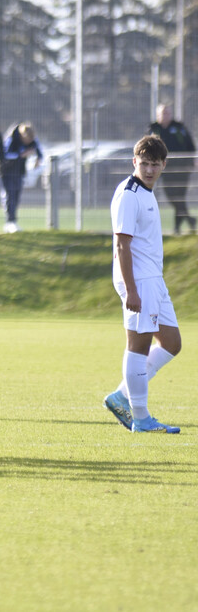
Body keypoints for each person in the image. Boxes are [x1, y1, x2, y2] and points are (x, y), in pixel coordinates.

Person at [102, 135, 183, 434]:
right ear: (134, 162)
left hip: (153, 280)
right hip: (139, 281)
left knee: (172, 343)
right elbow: (122, 245)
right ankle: (140, 417)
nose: (149, 169)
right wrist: (131, 289)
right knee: (139, 346)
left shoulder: (147, 192)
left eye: (154, 164)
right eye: (144, 163)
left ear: (163, 165)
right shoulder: (129, 193)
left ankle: (122, 395)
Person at [147, 103, 196, 234]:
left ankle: (177, 228)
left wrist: (193, 159)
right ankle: (189, 220)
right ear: (158, 115)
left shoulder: (179, 128)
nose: (166, 115)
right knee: (171, 196)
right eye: (163, 113)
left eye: (167, 112)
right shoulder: (154, 129)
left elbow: (190, 145)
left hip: (182, 169)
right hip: (164, 170)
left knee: (179, 196)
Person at [0, 122, 40, 233]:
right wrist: (22, 154)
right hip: (7, 171)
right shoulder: (11, 139)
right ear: (22, 135)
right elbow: (6, 155)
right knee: (10, 195)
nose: (28, 142)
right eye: (27, 139)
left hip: (19, 171)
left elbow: (37, 148)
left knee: (16, 196)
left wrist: (39, 158)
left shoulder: (31, 138)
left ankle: (13, 221)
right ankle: (10, 221)